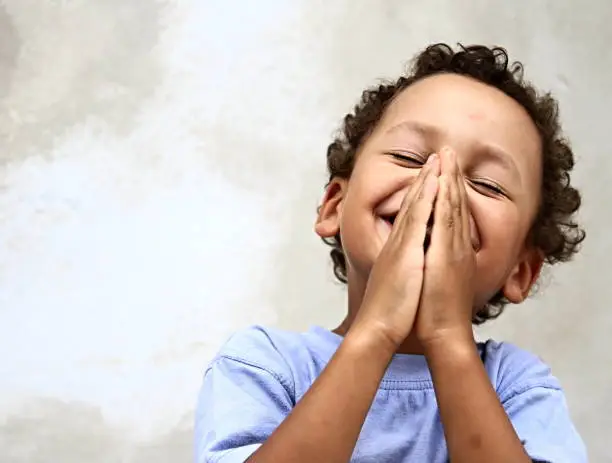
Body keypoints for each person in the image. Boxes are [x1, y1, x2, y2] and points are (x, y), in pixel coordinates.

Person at [195, 43, 588, 463]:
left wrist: (448, 340)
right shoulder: (266, 365)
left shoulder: (518, 388)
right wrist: (377, 330)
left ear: (521, 271)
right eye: (408, 157)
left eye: (488, 184)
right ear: (334, 206)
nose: (438, 184)